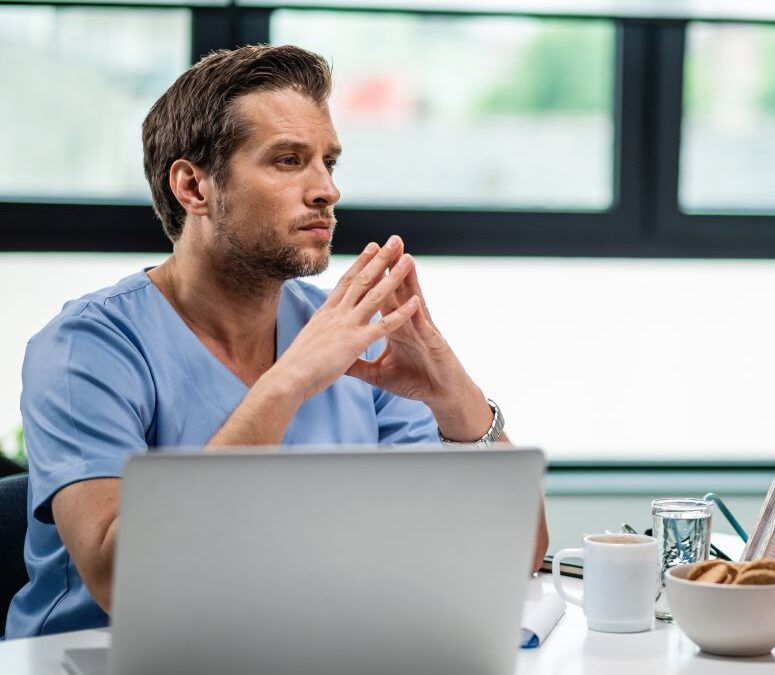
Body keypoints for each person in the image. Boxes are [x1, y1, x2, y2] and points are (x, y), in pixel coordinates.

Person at [6, 45, 549, 639]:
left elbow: (509, 554)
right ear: (194, 186)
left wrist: (456, 399)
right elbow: (122, 581)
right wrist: (289, 380)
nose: (326, 191)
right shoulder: (85, 349)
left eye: (330, 163)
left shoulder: (354, 338)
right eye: (289, 161)